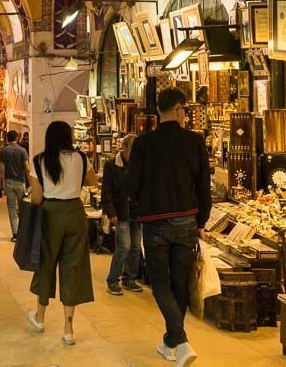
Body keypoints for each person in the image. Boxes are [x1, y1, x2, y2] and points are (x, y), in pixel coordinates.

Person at [129, 88, 211, 367]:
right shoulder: (194, 142)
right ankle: (174, 341)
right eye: (185, 110)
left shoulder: (143, 144)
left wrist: (143, 203)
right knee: (180, 283)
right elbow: (203, 186)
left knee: (160, 283)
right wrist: (202, 221)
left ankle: (178, 341)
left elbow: (132, 187)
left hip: (155, 224)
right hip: (186, 221)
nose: (185, 115)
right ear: (178, 109)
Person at [26, 121, 96, 346]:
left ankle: (40, 317)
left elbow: (36, 198)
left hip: (50, 214)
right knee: (72, 267)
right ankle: (68, 328)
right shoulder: (81, 158)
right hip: (75, 213)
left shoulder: (39, 161)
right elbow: (92, 182)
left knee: (46, 263)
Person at [102, 133, 143, 295]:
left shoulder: (139, 165)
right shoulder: (111, 165)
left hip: (137, 212)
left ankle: (129, 278)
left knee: (135, 247)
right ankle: (113, 280)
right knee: (124, 246)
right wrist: (111, 212)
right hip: (121, 212)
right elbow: (107, 191)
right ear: (124, 147)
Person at [1, 130, 30, 242]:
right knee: (23, 208)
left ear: (7, 139)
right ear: (17, 138)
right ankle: (23, 232)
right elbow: (27, 168)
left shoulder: (4, 150)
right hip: (20, 182)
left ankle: (15, 234)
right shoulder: (22, 151)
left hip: (8, 182)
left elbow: (0, 168)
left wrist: (0, 183)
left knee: (12, 208)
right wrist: (31, 183)